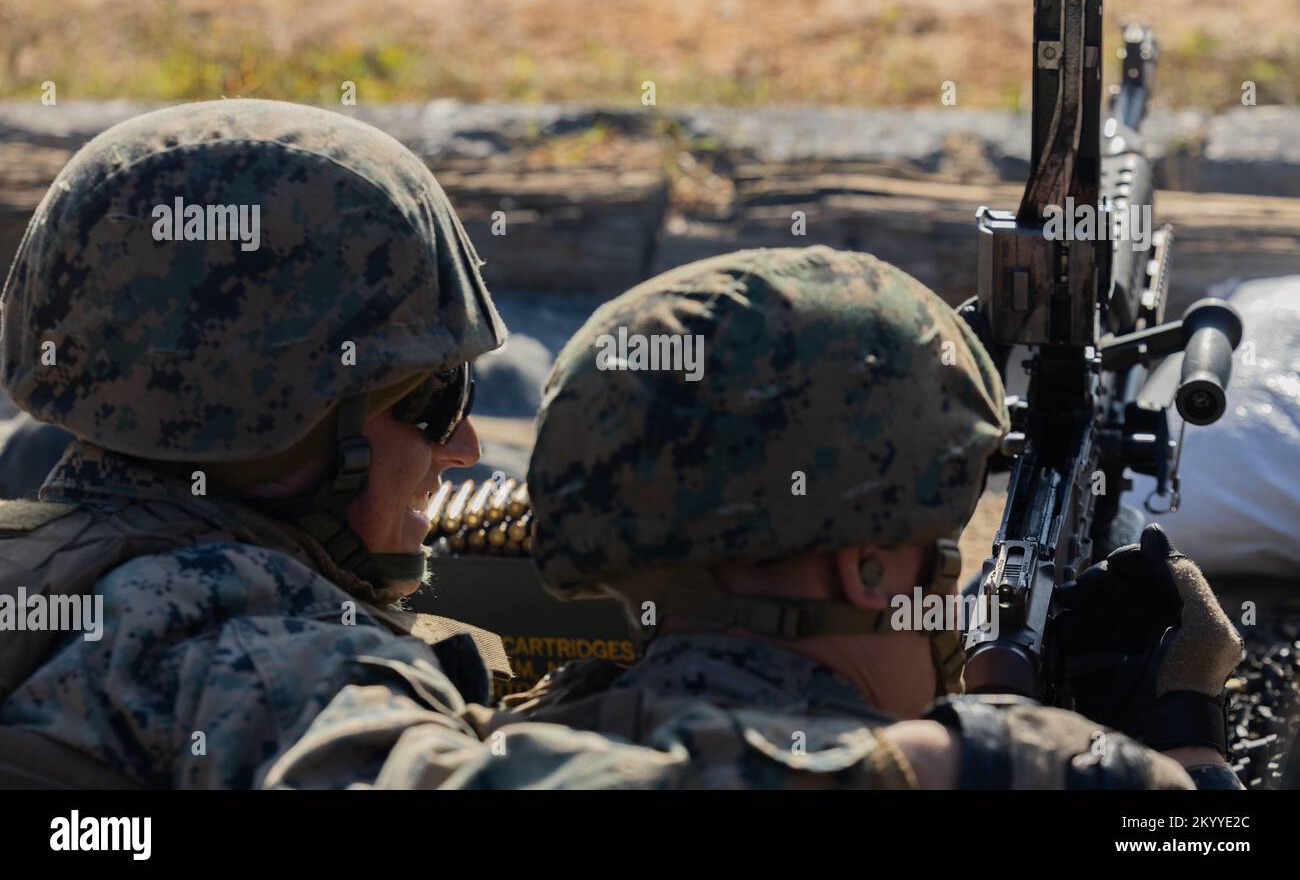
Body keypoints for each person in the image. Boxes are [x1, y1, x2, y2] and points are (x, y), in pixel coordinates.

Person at [0, 99, 685, 789]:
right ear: (278, 429)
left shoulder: (43, 569)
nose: (466, 447)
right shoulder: (249, 648)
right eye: (435, 400)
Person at [502, 245, 1246, 789]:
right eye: (941, 548)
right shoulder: (1005, 775)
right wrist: (1186, 750)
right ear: (865, 569)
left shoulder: (495, 747)